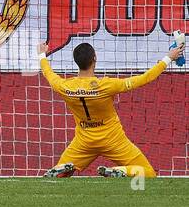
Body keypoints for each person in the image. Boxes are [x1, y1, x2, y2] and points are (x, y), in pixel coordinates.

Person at [37, 39, 181, 178]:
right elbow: (145, 78)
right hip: (113, 140)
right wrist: (168, 58)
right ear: (95, 58)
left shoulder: (64, 86)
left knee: (60, 174)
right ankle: (123, 171)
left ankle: (62, 168)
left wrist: (42, 54)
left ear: (76, 62)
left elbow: (48, 74)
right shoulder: (106, 85)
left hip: (83, 143)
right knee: (148, 172)